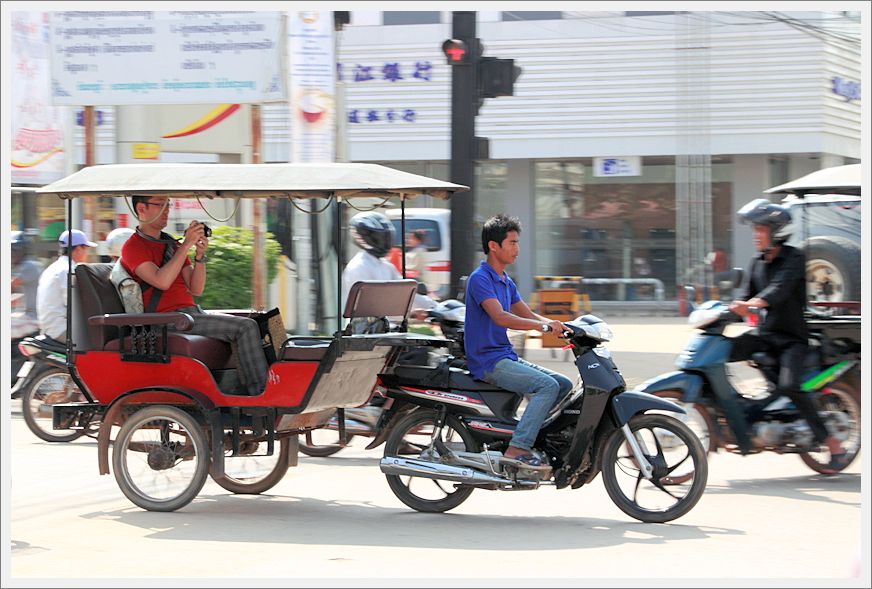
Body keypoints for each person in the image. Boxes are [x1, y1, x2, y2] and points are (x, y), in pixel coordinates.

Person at [728, 198, 845, 469]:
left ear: (776, 231)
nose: (756, 235)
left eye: (761, 230)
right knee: (723, 350)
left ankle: (829, 440)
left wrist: (751, 304)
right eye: (754, 230)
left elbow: (776, 292)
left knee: (789, 386)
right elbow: (745, 299)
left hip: (792, 340)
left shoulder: (794, 257)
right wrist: (722, 313)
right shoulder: (757, 262)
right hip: (766, 336)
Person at [120, 195, 267, 395]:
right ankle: (260, 395)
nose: (166, 210)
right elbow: (161, 281)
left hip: (189, 315)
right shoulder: (133, 247)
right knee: (246, 327)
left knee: (260, 320)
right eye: (160, 204)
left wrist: (199, 256)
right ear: (141, 209)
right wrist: (186, 245)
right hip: (164, 321)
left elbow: (196, 288)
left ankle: (241, 393)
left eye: (168, 205)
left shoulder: (170, 245)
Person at [464, 214, 574, 470]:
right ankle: (517, 449)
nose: (517, 249)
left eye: (517, 243)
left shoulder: (505, 281)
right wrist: (543, 326)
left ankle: (534, 434)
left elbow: (528, 315)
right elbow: (501, 317)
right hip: (488, 361)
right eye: (512, 243)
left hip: (505, 356)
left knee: (563, 384)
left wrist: (562, 327)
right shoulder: (480, 278)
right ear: (494, 246)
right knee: (546, 387)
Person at [342, 211, 434, 333]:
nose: (386, 242)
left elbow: (406, 293)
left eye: (387, 237)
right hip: (365, 333)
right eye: (382, 238)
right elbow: (373, 307)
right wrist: (411, 313)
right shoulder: (359, 267)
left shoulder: (385, 266)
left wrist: (437, 307)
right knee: (418, 351)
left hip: (385, 331)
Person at [37, 230, 98, 343]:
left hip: (52, 327)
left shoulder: (55, 267)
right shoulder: (68, 270)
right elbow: (75, 303)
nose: (87, 253)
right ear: (79, 249)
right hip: (61, 329)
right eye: (86, 249)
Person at [11, 231, 43, 339]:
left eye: (12, 250)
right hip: (25, 315)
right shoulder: (22, 265)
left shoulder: (29, 265)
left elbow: (11, 283)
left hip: (33, 318)